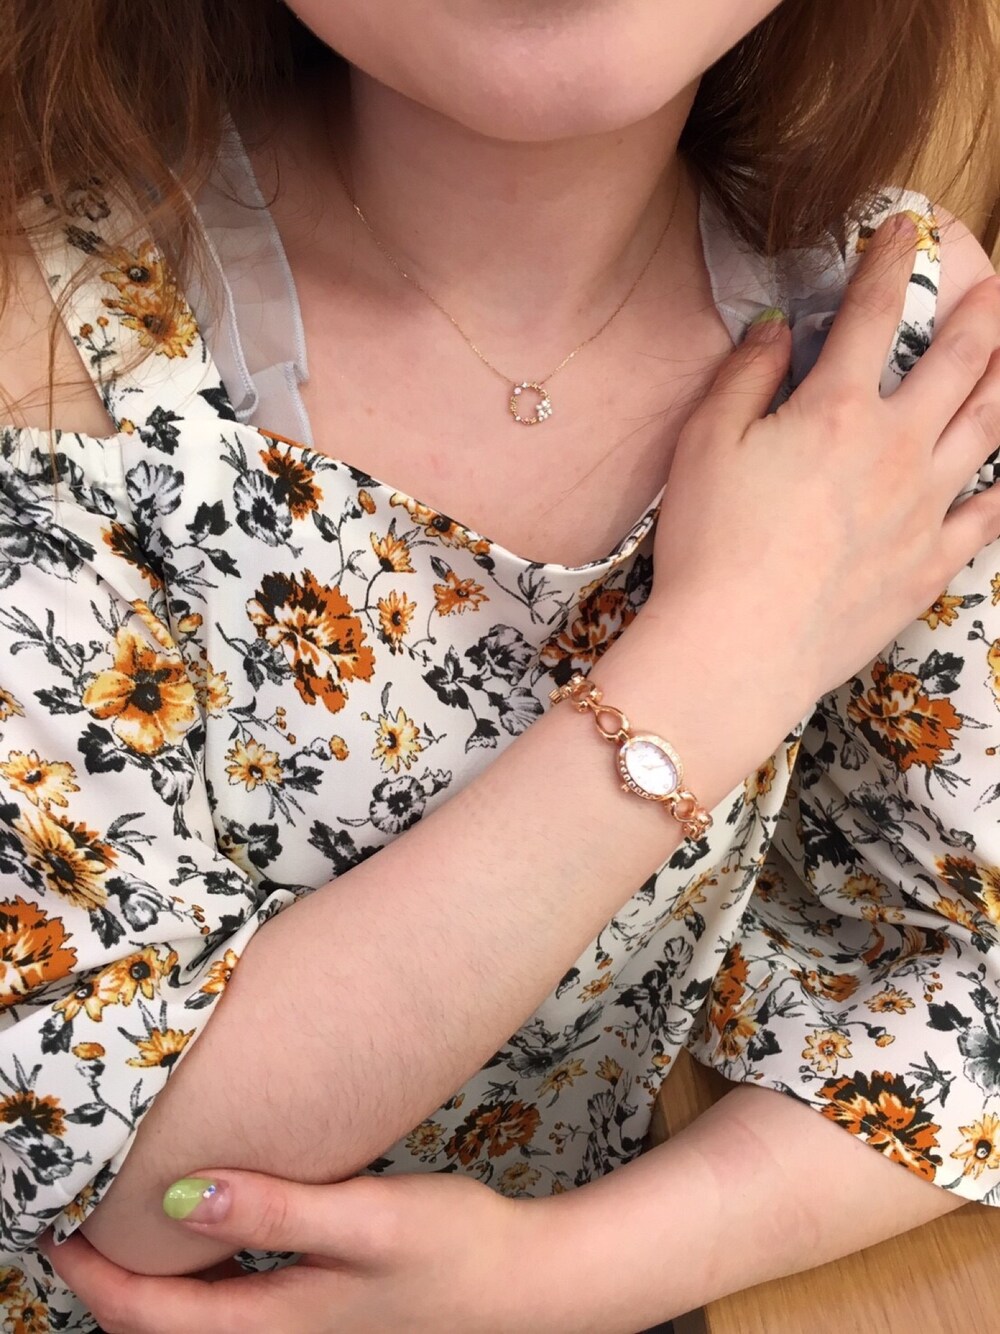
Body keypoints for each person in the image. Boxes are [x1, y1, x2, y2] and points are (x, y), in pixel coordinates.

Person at [1, 0, 999, 1328]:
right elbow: (112, 1176)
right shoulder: (50, 347)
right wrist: (733, 649)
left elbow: (977, 976)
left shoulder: (879, 330)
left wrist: (560, 1276)